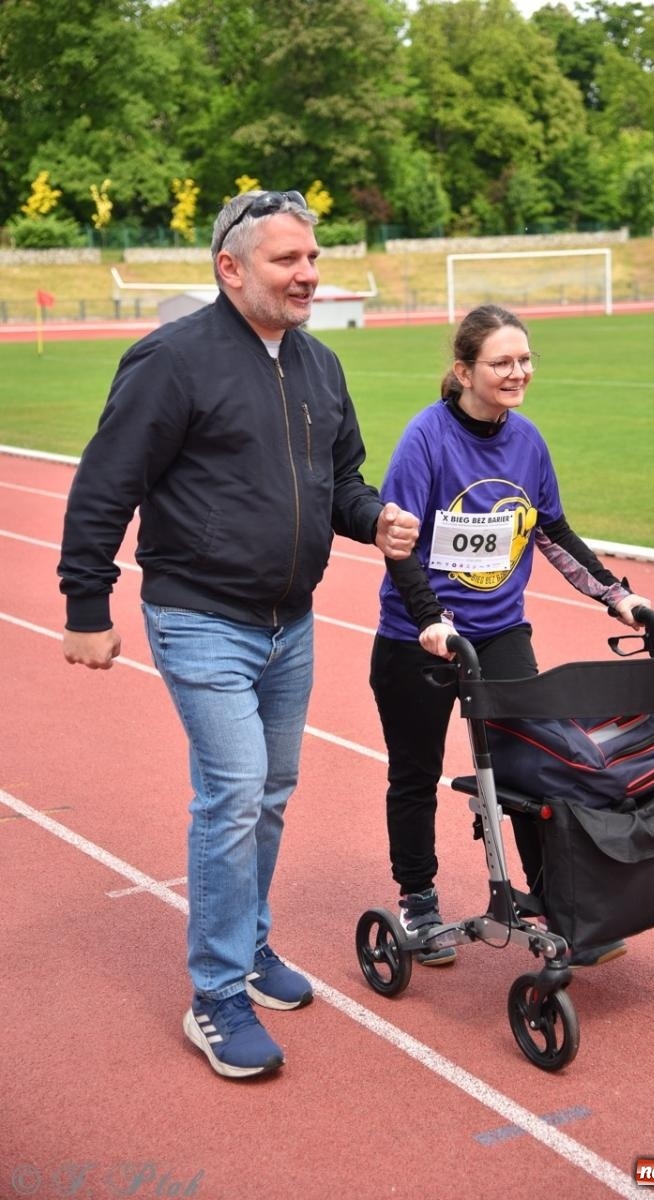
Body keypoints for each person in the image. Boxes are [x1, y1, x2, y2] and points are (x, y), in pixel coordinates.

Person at [57, 189, 419, 1079]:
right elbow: (105, 483)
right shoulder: (172, 359)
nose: (308, 274)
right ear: (230, 268)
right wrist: (86, 605)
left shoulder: (320, 365)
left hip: (290, 621)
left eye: (312, 258)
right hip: (199, 614)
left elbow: (340, 481)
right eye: (286, 259)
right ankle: (216, 995)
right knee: (234, 792)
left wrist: (373, 519)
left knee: (270, 792)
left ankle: (249, 945)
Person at [369, 304, 650, 967]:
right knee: (415, 773)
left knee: (532, 766)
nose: (517, 372)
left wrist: (615, 595)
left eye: (525, 360)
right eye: (501, 362)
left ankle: (552, 900)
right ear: (464, 370)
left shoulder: (527, 441)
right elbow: (399, 545)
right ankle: (418, 899)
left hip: (499, 634)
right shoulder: (425, 438)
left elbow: (551, 530)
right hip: (417, 637)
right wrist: (429, 619)